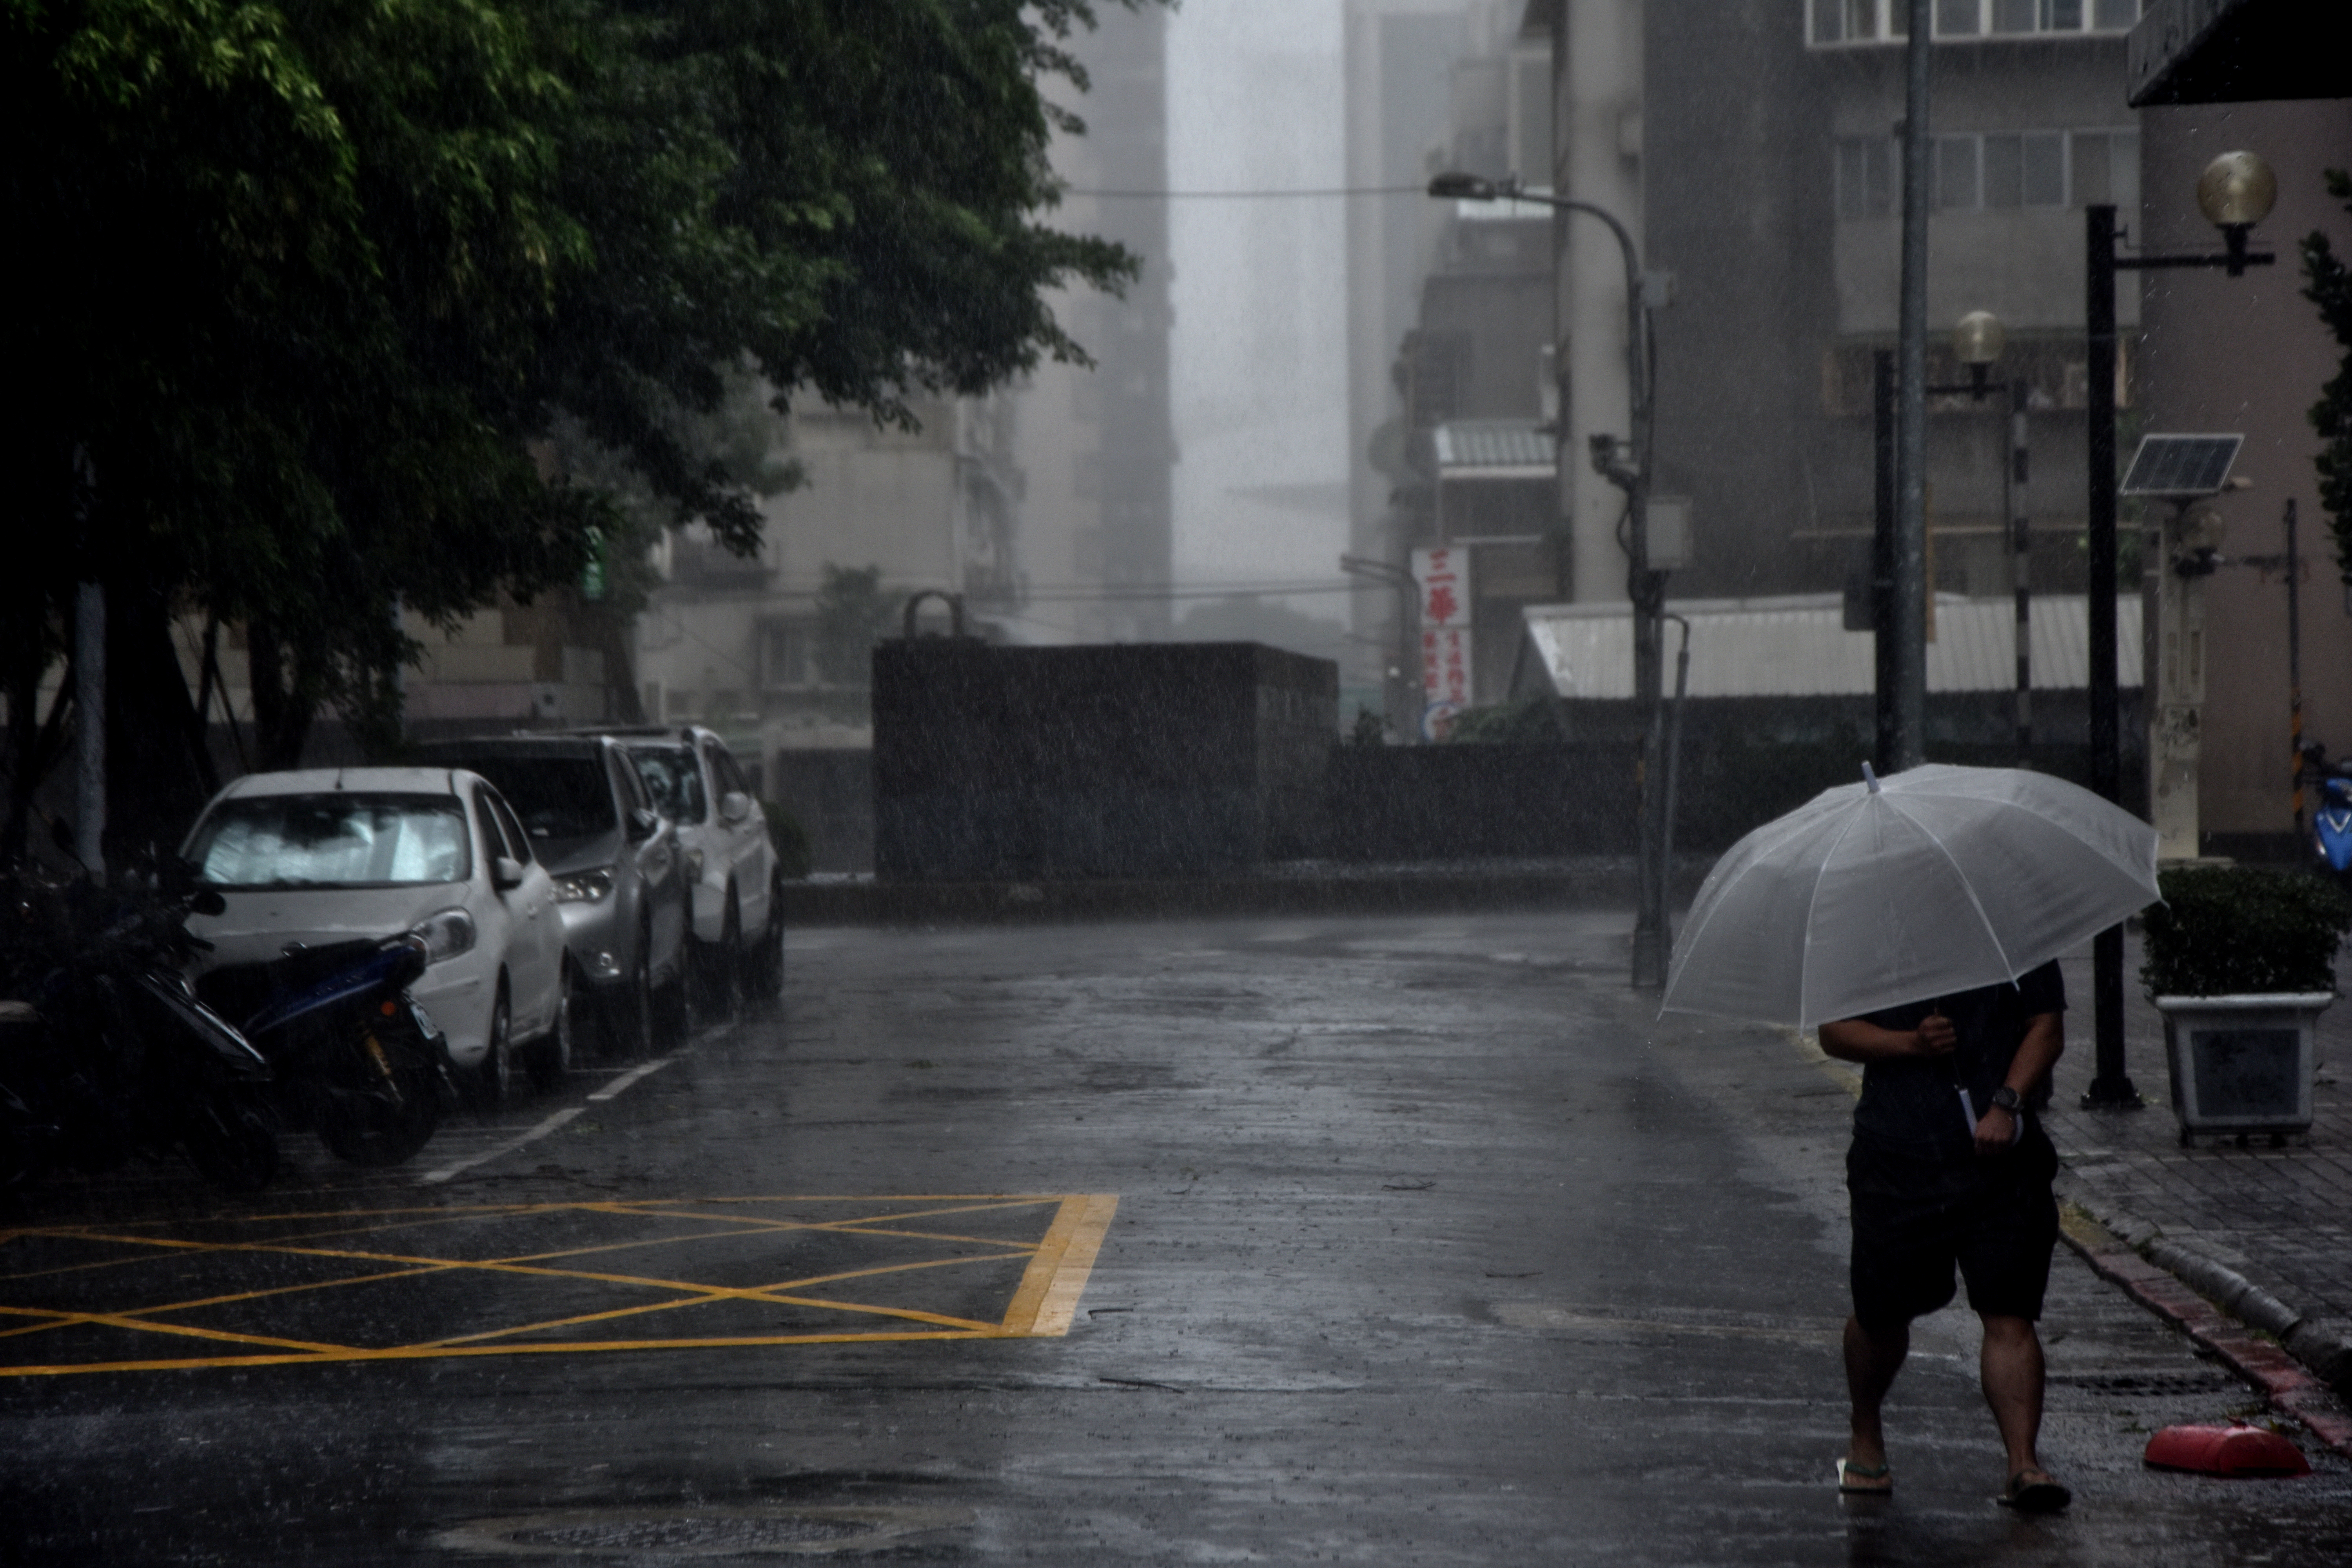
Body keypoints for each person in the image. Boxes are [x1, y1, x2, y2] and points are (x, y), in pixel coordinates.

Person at [1817, 958, 2073, 1513]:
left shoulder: (2010, 931)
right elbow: (1835, 1034)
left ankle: (2023, 1465)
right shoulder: (1870, 935)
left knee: (2009, 1311)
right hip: (1897, 1160)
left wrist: (2007, 1102)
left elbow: (2046, 1027)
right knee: (1883, 1313)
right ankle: (1866, 1435)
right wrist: (1910, 1042)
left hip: (2002, 1165)